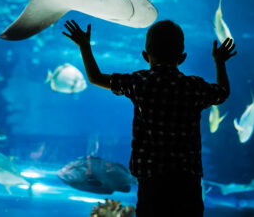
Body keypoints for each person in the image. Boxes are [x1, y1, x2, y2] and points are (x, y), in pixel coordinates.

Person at [63, 19, 236, 216]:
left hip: (151, 181)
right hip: (187, 182)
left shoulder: (139, 83)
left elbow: (95, 77)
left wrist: (84, 46)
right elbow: (223, 92)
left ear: (146, 56)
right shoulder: (193, 87)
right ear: (182, 57)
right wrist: (220, 62)